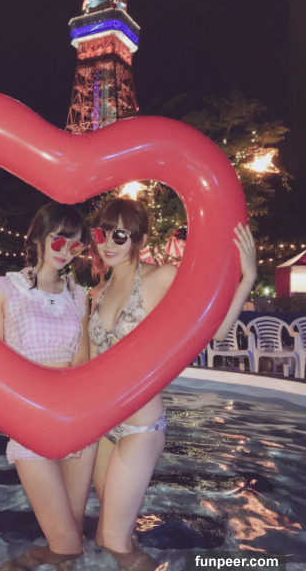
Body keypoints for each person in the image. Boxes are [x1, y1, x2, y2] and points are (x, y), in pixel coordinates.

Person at [88, 198, 257, 570]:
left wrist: (247, 279)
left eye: (120, 235)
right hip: (103, 428)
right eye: (102, 233)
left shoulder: (160, 278)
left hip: (139, 428)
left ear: (141, 239)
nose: (108, 243)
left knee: (115, 542)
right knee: (107, 536)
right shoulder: (99, 292)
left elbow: (214, 331)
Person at [0, 203, 97, 570]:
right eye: (59, 240)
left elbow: (81, 362)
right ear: (38, 238)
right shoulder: (3, 289)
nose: (66, 250)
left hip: (77, 418)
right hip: (30, 419)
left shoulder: (79, 296)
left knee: (73, 534)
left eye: (75, 245)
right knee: (67, 544)